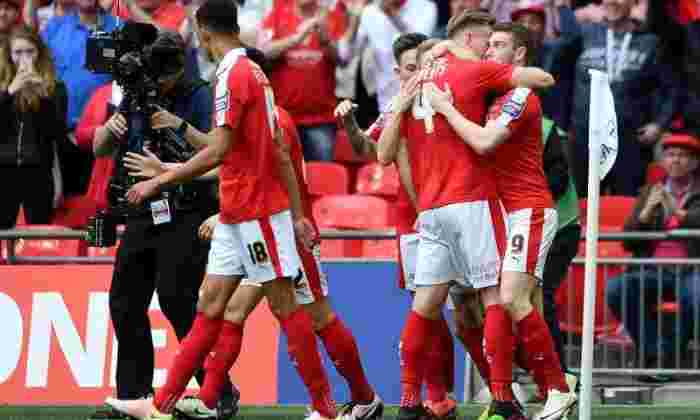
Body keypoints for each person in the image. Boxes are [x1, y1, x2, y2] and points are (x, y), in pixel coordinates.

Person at [107, 1, 340, 419]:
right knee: (209, 306)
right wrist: (300, 212)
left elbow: (219, 150)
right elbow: (271, 151)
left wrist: (160, 179)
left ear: (201, 29)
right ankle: (161, 407)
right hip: (237, 211)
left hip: (255, 210)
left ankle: (326, 410)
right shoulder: (251, 72)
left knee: (286, 308)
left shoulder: (231, 75)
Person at [376, 10, 555, 420]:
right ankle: (504, 397)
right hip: (471, 198)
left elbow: (383, 155)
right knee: (497, 297)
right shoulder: (470, 71)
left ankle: (407, 401)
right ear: (469, 38)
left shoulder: (415, 82)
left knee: (424, 306)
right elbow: (541, 80)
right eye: (486, 41)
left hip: (431, 210)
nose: (488, 50)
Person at [426, 22, 577, 420]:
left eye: (499, 45)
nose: (489, 50)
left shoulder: (520, 95)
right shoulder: (491, 93)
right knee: (507, 304)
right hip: (498, 213)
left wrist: (445, 108)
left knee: (512, 298)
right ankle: (530, 392)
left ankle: (557, 389)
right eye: (486, 44)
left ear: (520, 54)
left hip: (528, 209)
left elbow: (483, 141)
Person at [87, 31, 241, 420]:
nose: (158, 85)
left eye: (164, 79)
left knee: (178, 299)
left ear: (177, 69)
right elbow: (99, 147)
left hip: (185, 208)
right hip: (142, 206)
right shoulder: (135, 92)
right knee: (124, 301)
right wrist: (111, 129)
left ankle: (217, 390)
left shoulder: (201, 94)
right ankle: (134, 394)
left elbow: (218, 154)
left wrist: (167, 160)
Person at [334, 31, 461, 410]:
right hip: (410, 220)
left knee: (464, 308)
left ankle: (484, 389)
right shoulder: (394, 108)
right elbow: (368, 150)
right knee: (426, 307)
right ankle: (435, 395)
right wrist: (351, 125)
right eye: (410, 68)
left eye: (424, 67)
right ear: (398, 70)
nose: (418, 75)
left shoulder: (446, 101)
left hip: (453, 210)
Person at [606, 133, 700, 381]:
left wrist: (678, 211)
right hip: (652, 270)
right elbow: (627, 241)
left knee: (697, 294)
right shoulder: (649, 191)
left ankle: (668, 359)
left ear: (694, 162)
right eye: (670, 155)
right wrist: (646, 213)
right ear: (663, 162)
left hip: (692, 269)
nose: (676, 161)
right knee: (617, 288)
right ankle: (653, 355)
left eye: (682, 156)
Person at [257, 0, 346, 162]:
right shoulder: (277, 14)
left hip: (321, 119)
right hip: (283, 119)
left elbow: (343, 59)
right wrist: (296, 39)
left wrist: (326, 41)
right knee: (284, 182)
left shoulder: (331, 16)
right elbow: (262, 51)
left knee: (323, 181)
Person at [0, 27, 67, 228]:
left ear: (39, 53)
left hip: (38, 170)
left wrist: (44, 97)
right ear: (9, 55)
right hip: (3, 169)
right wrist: (10, 92)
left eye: (30, 52)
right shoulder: (3, 86)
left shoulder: (56, 87)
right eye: (18, 53)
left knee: (38, 229)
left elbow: (57, 133)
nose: (24, 58)